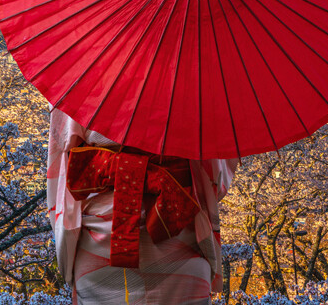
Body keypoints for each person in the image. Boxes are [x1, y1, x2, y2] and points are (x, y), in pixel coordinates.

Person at [46, 108, 238, 305]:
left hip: (100, 241)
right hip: (177, 228)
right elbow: (215, 175)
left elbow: (62, 157)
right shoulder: (199, 85)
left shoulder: (85, 79)